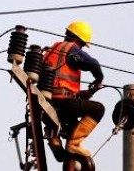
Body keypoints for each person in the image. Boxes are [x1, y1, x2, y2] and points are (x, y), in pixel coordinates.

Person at [43, 21, 105, 158]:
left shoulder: (51, 50)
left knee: (73, 128)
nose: (82, 48)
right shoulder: (72, 48)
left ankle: (55, 140)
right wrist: (99, 79)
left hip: (46, 105)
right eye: (83, 45)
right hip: (63, 104)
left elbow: (58, 85)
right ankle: (74, 144)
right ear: (79, 40)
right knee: (98, 109)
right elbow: (93, 64)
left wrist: (86, 93)